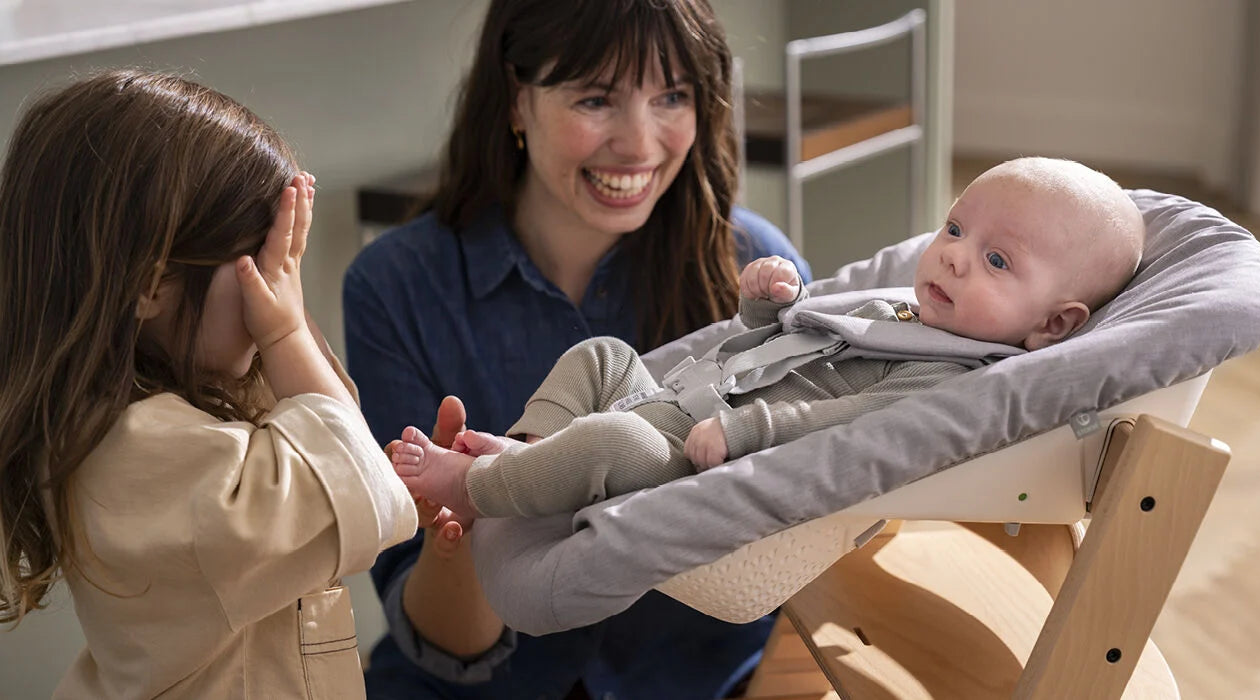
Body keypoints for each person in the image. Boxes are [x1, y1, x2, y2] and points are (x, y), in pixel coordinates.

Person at [341, 0, 810, 697]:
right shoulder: (395, 287)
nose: (640, 143)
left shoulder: (755, 270)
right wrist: (470, 524)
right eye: (595, 98)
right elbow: (444, 646)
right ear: (515, 100)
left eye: (672, 96)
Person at [387, 156, 1147, 519]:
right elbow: (790, 345)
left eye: (996, 259)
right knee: (602, 356)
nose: (951, 253)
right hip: (676, 395)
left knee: (610, 447)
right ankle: (525, 451)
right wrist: (764, 309)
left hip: (691, 454)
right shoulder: (906, 307)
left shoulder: (960, 375)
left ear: (1054, 324)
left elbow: (850, 421)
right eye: (955, 227)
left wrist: (747, 428)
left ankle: (479, 489)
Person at [0, 71, 417, 698]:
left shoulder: (142, 424)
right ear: (151, 283)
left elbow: (330, 442)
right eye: (264, 259)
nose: (279, 288)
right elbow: (357, 486)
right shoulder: (141, 450)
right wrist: (284, 335)